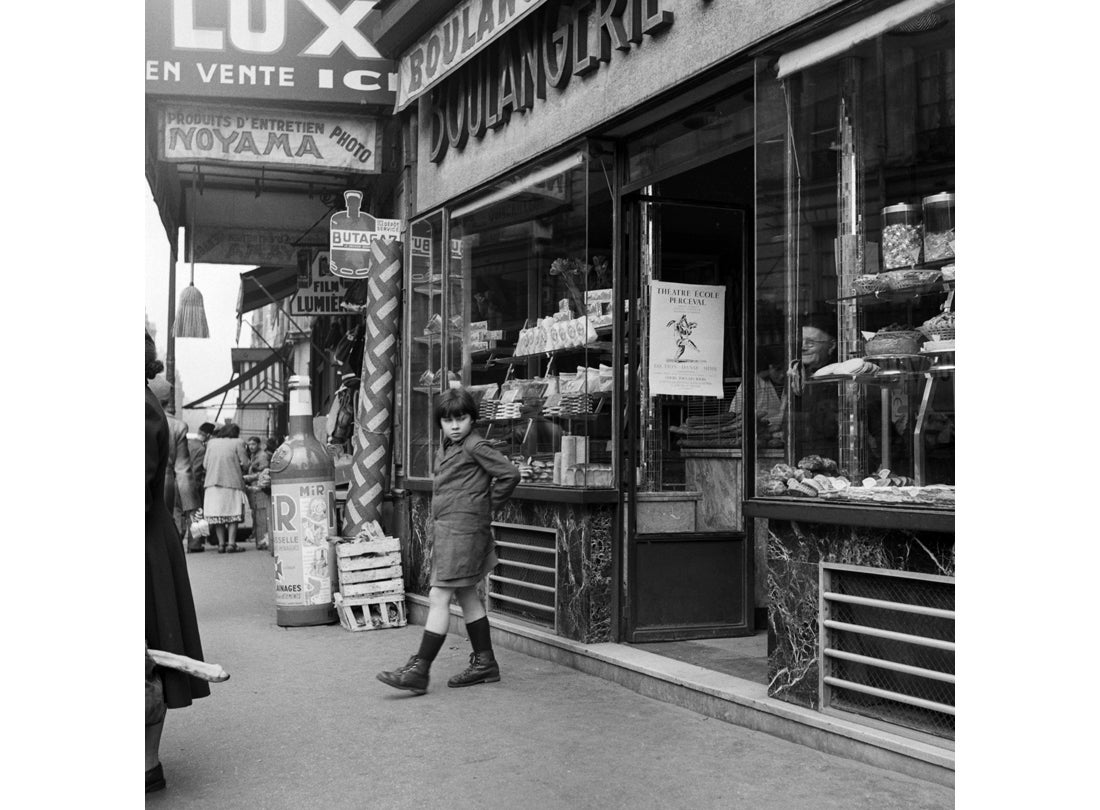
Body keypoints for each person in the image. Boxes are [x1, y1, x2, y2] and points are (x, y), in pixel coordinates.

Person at [377, 387, 520, 696]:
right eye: (447, 420)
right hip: (453, 532)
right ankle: (485, 662)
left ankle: (420, 669)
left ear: (472, 419)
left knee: (439, 595)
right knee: (467, 594)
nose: (455, 425)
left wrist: (484, 506)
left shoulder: (474, 445)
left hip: (463, 533)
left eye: (461, 418)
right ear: (440, 423)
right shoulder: (450, 446)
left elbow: (509, 474)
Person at [145, 332, 210, 793]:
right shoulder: (163, 416)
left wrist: (189, 514)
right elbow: (181, 473)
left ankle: (147, 766)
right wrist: (189, 513)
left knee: (147, 654)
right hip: (155, 529)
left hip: (143, 536)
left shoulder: (141, 412)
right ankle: (147, 765)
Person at [148, 378, 202, 551]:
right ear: (167, 400)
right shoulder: (177, 426)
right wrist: (191, 505)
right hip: (164, 484)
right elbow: (184, 472)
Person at [785, 315, 839, 460]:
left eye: (811, 343)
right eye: (801, 341)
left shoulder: (841, 374)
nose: (803, 347)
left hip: (834, 454)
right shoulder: (796, 375)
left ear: (831, 345)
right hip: (800, 454)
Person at [202, 423, 250, 553]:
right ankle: (231, 544)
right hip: (232, 483)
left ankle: (221, 544)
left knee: (219, 516)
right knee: (233, 514)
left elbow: (205, 464)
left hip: (212, 484)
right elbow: (245, 463)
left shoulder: (211, 443)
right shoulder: (238, 442)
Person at [729, 344, 787, 440]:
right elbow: (734, 415)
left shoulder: (794, 383)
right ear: (767, 369)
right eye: (777, 369)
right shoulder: (753, 383)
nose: (782, 375)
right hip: (758, 439)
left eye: (785, 370)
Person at [243, 436, 273, 550]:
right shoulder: (253, 455)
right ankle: (260, 540)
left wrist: (247, 478)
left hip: (260, 489)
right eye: (249, 444)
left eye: (253, 444)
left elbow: (263, 473)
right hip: (255, 489)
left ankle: (263, 541)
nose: (251, 446)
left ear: (259, 444)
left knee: (261, 515)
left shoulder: (262, 456)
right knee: (256, 515)